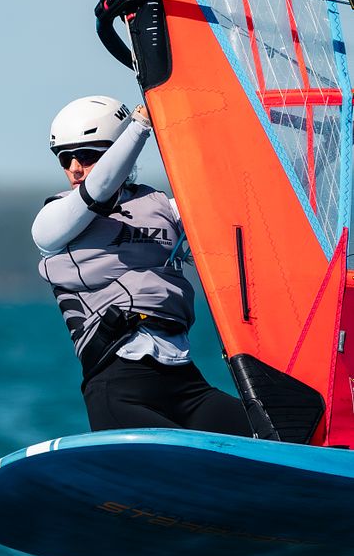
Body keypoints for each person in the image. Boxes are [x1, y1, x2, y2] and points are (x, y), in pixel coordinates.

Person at [31, 95, 252, 436]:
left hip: (184, 381)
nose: (74, 168)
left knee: (280, 434)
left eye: (87, 155)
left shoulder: (162, 208)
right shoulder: (53, 222)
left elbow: (242, 197)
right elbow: (97, 191)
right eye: (65, 158)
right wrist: (140, 126)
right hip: (119, 387)